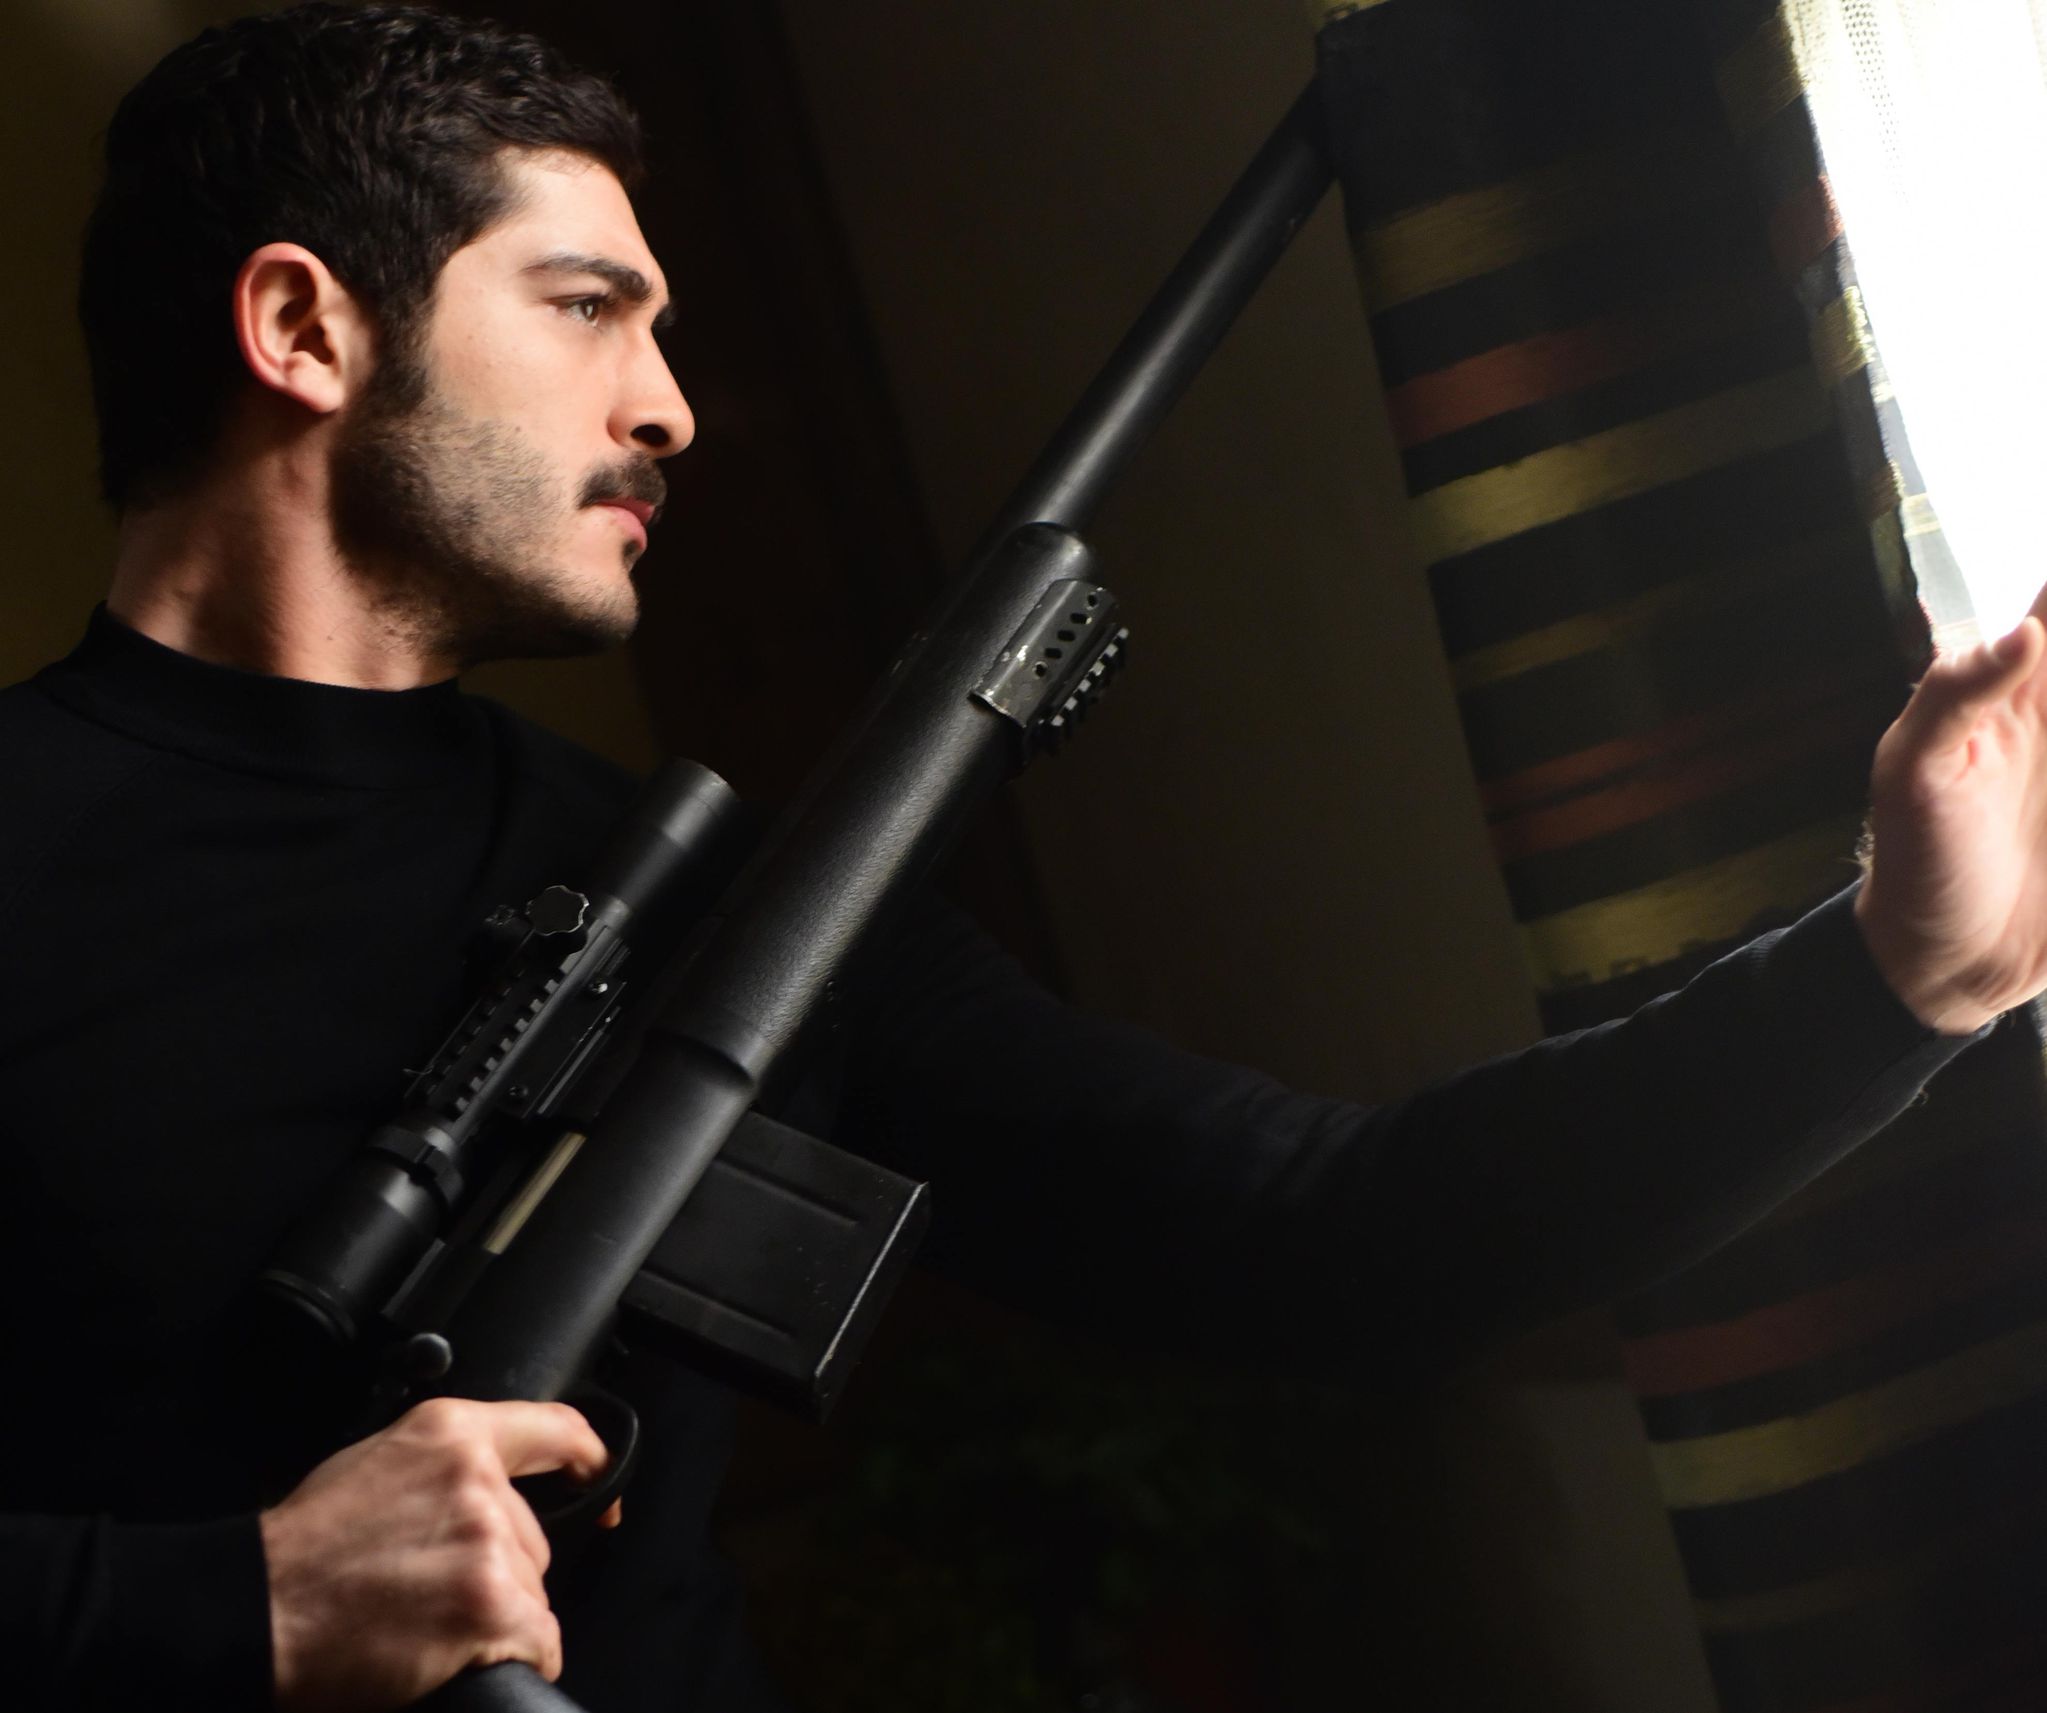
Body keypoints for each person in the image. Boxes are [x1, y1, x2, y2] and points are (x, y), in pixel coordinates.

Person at [3, 5, 2043, 1710]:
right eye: (586, 307)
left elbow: (1329, 1237)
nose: (671, 406)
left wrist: (1899, 969)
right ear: (304, 326)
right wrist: (243, 1600)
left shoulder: (711, 892)